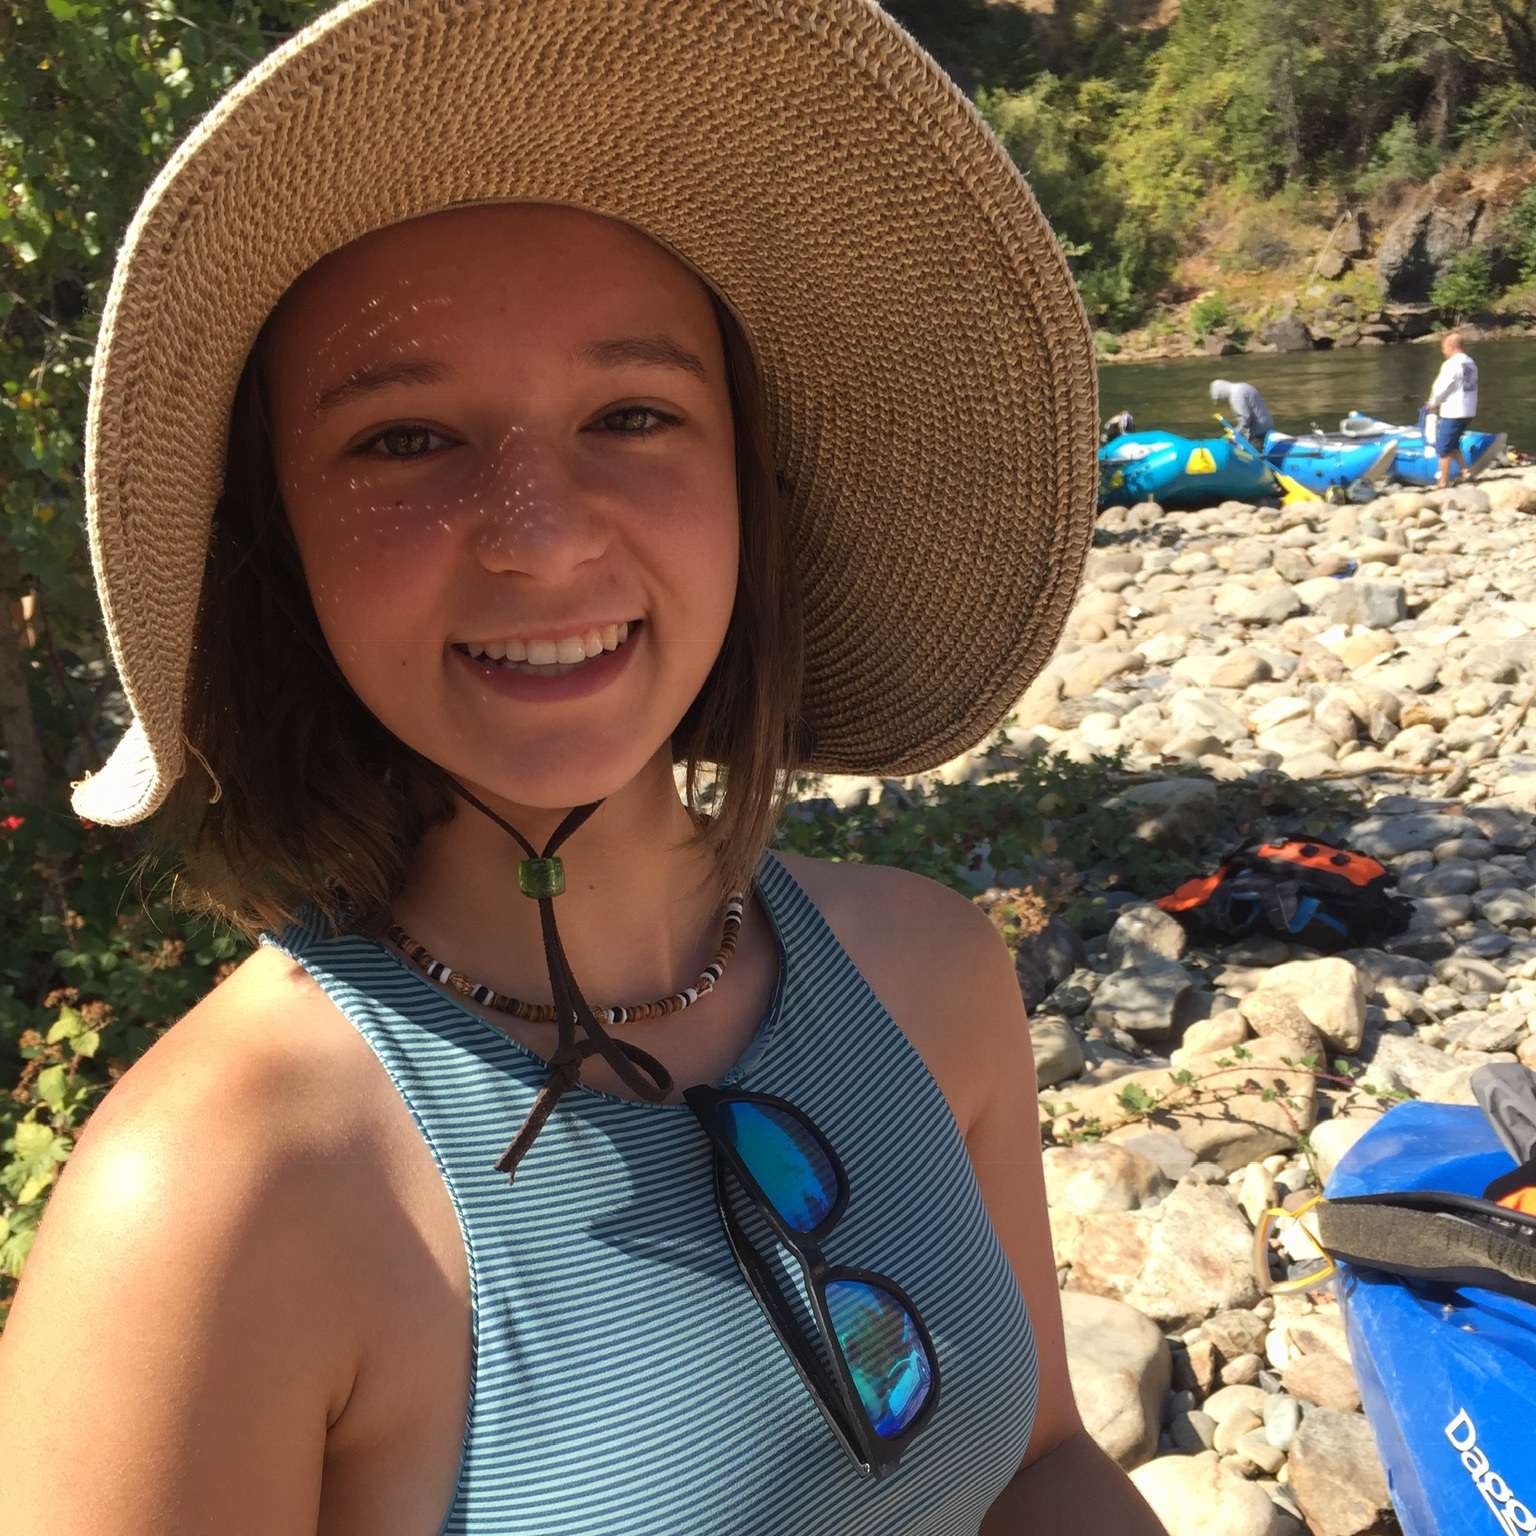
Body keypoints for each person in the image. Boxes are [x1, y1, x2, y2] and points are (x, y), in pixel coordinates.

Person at [0, 4, 1166, 1533]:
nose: (542, 534)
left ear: (752, 491)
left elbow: (1037, 1472)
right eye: (404, 440)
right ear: (273, 550)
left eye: (634, 414)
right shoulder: (220, 1203)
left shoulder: (930, 976)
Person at [1426, 330, 1480, 487]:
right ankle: (1465, 471)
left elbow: (1442, 386)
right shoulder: (1470, 362)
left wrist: (1433, 402)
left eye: (1443, 347)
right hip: (1469, 409)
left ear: (1451, 346)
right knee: (1453, 442)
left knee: (1443, 446)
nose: (1443, 351)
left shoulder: (1451, 364)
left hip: (1454, 410)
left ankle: (1443, 481)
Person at [1209, 378, 1275, 447]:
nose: (1223, 400)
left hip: (1258, 433)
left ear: (1221, 392)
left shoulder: (1236, 396)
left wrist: (1233, 436)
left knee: (1247, 453)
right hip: (1266, 426)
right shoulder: (1243, 386)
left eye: (1220, 397)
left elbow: (1245, 421)